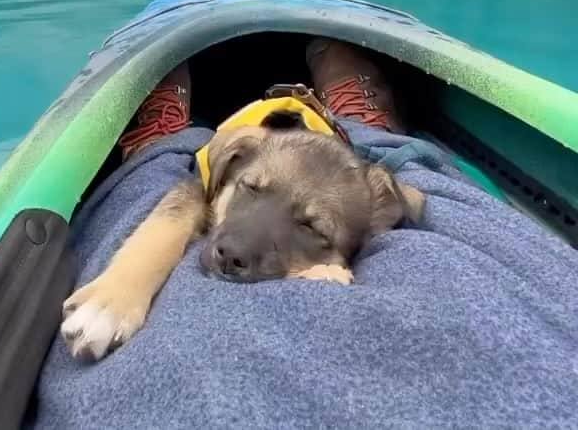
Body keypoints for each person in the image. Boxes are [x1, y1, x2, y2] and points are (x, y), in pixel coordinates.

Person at [29, 40, 578, 430]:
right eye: (248, 190)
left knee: (414, 206)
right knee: (181, 174)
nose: (238, 246)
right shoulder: (241, 151)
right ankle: (365, 129)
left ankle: (158, 145)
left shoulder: (374, 212)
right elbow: (191, 198)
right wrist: (128, 282)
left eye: (312, 227)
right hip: (254, 150)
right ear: (234, 167)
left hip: (340, 191)